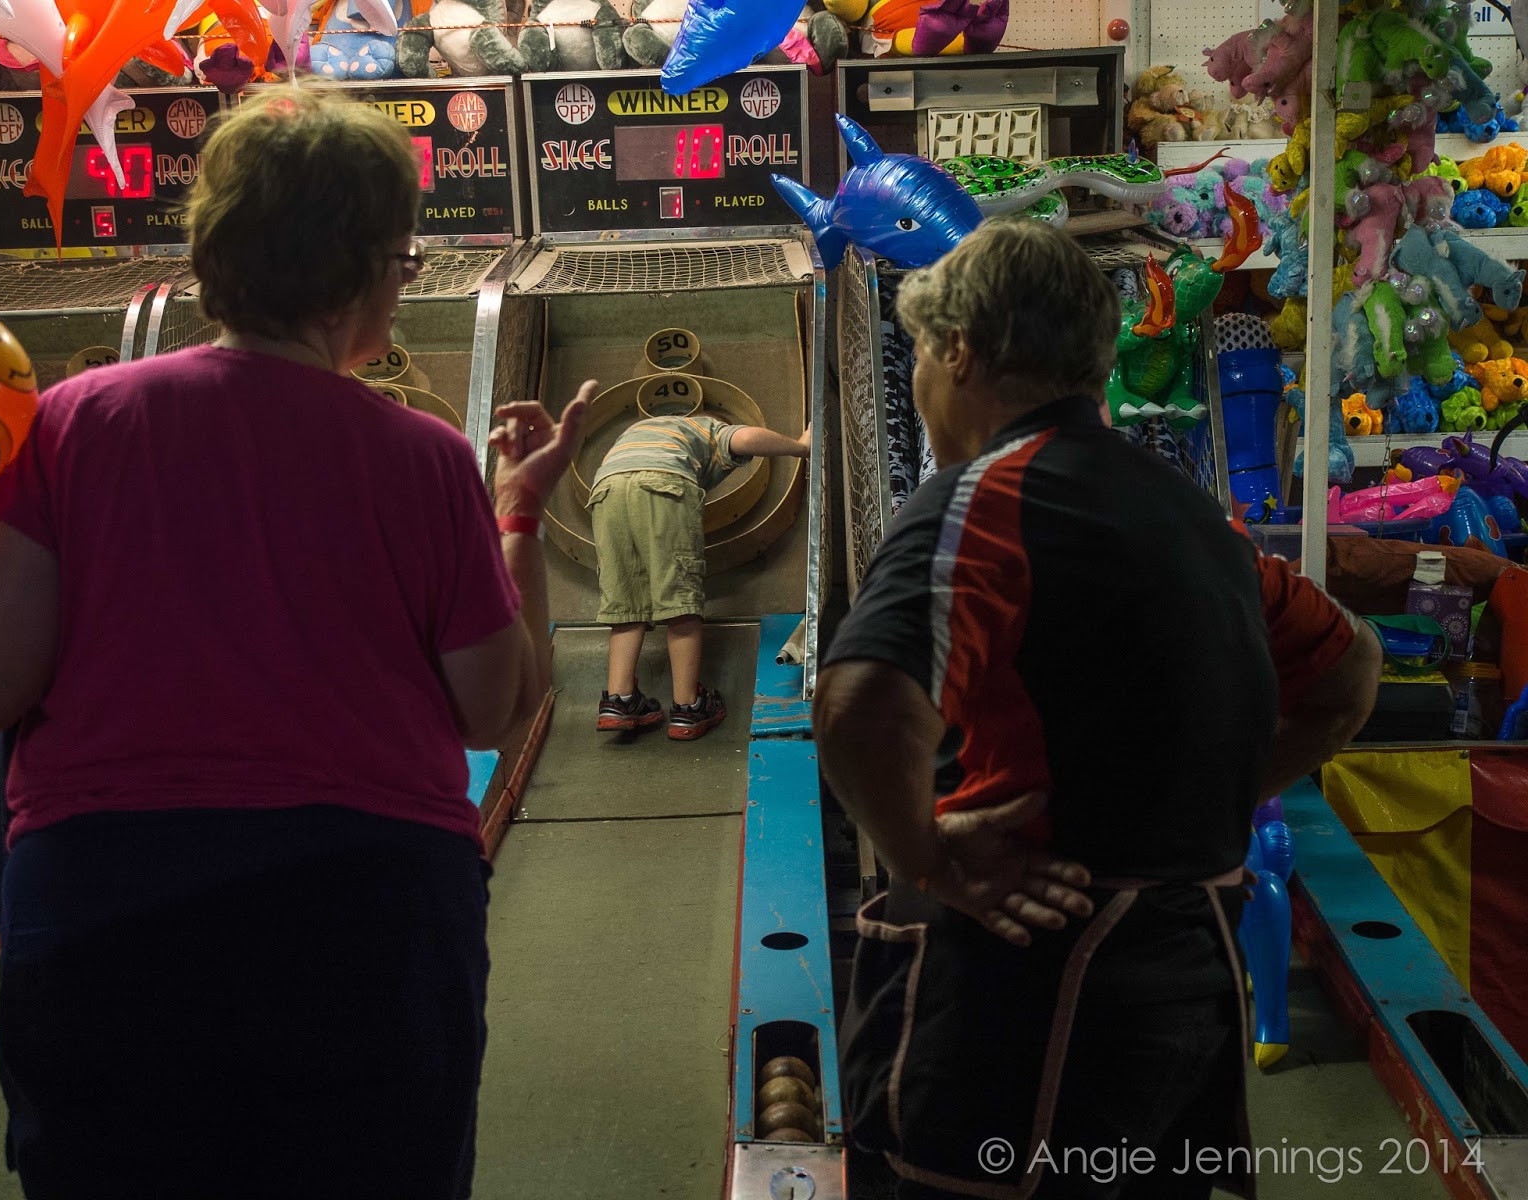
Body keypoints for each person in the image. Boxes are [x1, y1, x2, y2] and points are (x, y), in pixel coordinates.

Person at [0, 87, 589, 1200]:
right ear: (366, 270)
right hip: (363, 905)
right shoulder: (422, 458)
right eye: (404, 259)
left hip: (107, 901)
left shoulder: (75, 422)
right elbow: (492, 706)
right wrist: (515, 514)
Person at [814, 220, 1381, 1200]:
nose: (920, 382)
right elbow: (1349, 672)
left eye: (922, 358)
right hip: (1186, 976)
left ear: (958, 351)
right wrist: (1187, 814)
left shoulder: (979, 501)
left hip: (1035, 987)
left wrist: (929, 857)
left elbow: (861, 703)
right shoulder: (1192, 513)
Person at [590, 410, 809, 739]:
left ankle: (619, 700)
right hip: (663, 483)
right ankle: (689, 706)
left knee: (625, 600)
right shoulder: (706, 429)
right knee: (680, 598)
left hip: (606, 489)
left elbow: (629, 472)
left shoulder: (641, 430)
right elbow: (746, 438)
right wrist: (800, 447)